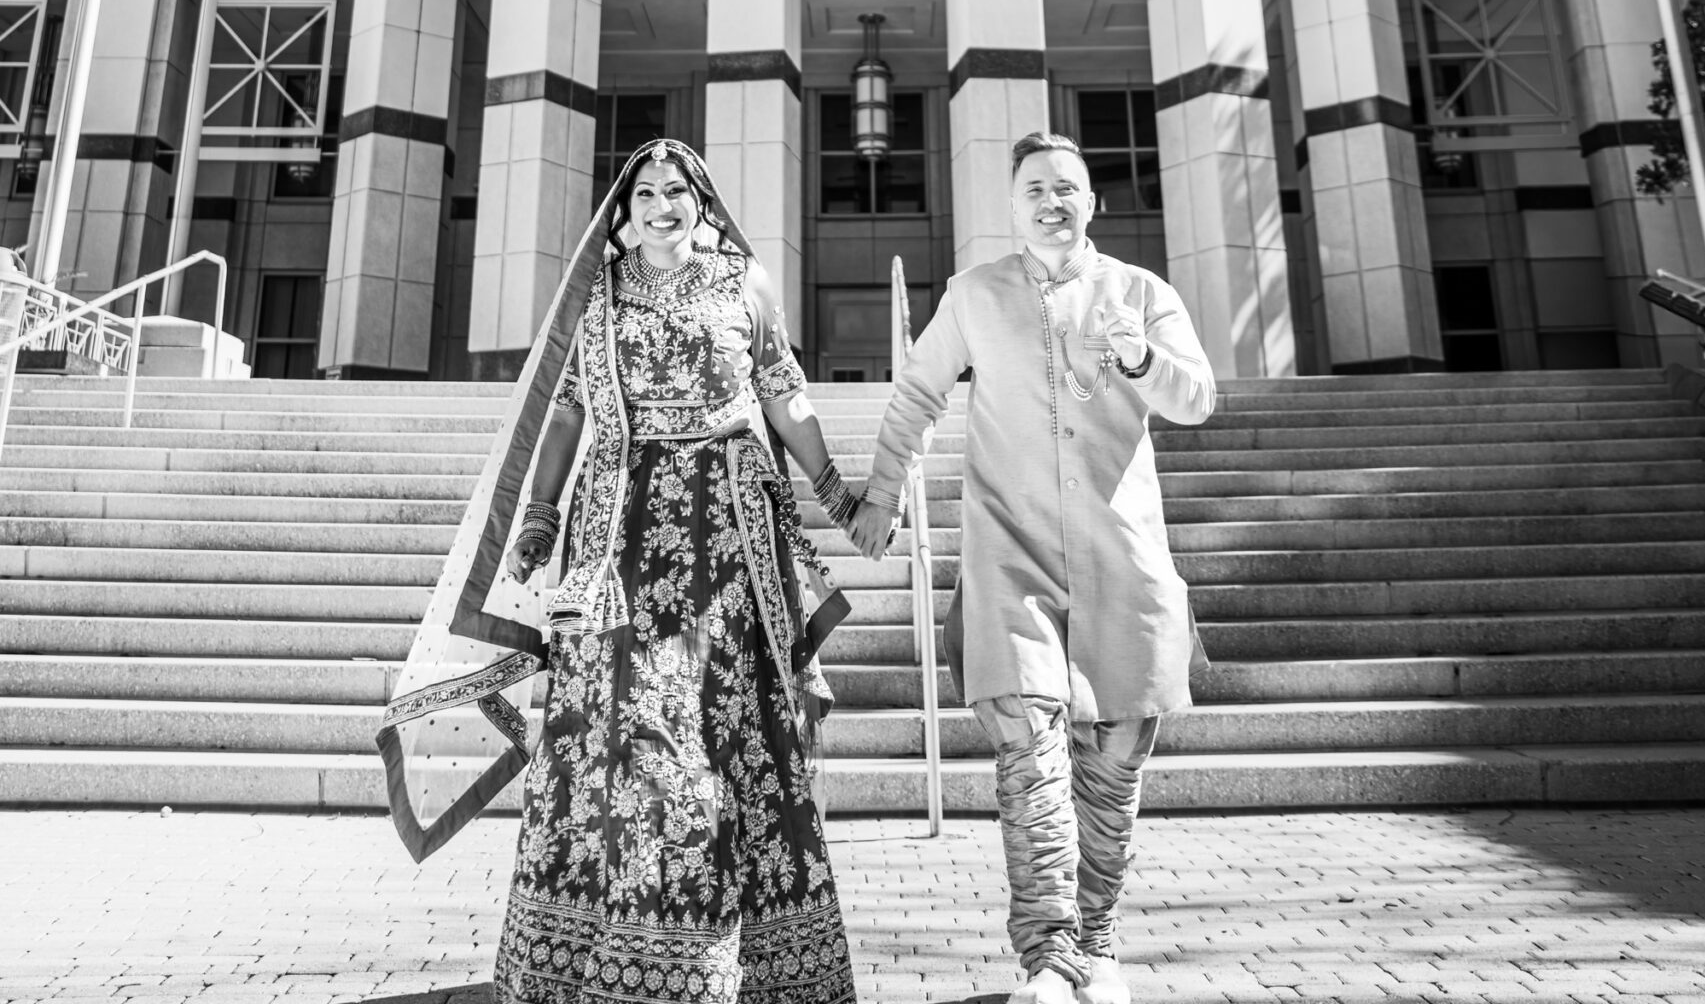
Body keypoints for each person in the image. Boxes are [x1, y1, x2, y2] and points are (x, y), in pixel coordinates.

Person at [377, 140, 864, 1004]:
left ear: (701, 203)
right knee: (616, 729)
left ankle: (728, 964)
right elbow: (568, 412)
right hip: (617, 540)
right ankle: (591, 954)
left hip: (727, 545)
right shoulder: (595, 295)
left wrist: (834, 492)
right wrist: (539, 514)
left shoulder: (744, 283)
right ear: (624, 209)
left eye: (677, 191)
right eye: (645, 193)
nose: (661, 205)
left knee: (723, 732)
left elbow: (782, 392)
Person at [850, 130, 1215, 1004]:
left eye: (1066, 188)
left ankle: (1097, 945)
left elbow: (1197, 399)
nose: (1052, 203)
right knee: (1029, 752)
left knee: (1115, 761)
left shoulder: (1141, 292)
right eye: (1035, 191)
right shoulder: (974, 295)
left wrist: (1139, 357)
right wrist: (882, 493)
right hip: (1009, 555)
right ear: (1013, 208)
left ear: (1092, 202)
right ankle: (1048, 958)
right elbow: (917, 392)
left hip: (1123, 555)